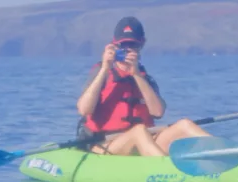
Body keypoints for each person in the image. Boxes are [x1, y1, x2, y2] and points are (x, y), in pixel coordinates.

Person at [76, 16, 210, 157]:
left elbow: (158, 112)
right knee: (138, 131)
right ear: (114, 46)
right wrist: (105, 68)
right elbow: (84, 110)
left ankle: (229, 157)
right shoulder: (101, 72)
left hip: (144, 138)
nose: (128, 50)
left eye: (132, 46)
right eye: (123, 45)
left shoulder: (144, 78)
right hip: (104, 144)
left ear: (141, 45)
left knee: (185, 124)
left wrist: (137, 75)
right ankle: (165, 170)